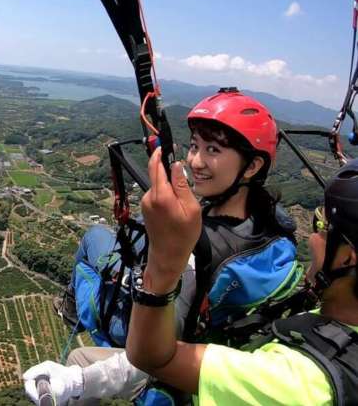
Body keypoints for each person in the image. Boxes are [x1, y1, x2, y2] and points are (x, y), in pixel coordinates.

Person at [24, 89, 302, 405]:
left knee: (92, 239)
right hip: (217, 327)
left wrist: (75, 382)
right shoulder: (271, 224)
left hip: (145, 323)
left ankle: (74, 311)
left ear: (251, 167)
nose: (196, 161)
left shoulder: (198, 256)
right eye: (195, 146)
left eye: (213, 149)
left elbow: (156, 355)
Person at [127, 149, 358, 405]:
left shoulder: (293, 384)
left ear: (347, 258)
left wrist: (164, 260)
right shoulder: (334, 323)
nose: (313, 237)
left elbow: (153, 357)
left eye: (319, 225)